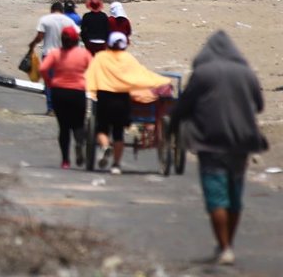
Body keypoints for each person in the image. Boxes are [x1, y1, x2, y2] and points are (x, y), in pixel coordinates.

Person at [170, 31, 269, 266]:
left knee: (216, 195)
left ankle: (224, 247)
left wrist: (173, 127)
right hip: (241, 142)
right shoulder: (246, 73)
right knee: (234, 194)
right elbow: (260, 104)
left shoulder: (203, 73)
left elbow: (184, 105)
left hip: (210, 142)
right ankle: (229, 245)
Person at [84, 32, 172, 174]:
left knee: (101, 129)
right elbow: (140, 75)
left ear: (109, 44)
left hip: (105, 98)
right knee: (118, 133)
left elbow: (90, 75)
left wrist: (91, 90)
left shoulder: (100, 58)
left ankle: (105, 146)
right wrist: (162, 81)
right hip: (122, 99)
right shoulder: (128, 59)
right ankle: (116, 166)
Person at [38, 27, 92, 168]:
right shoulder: (84, 54)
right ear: (76, 40)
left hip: (59, 92)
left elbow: (43, 68)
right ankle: (80, 144)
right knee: (79, 124)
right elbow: (94, 69)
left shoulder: (55, 53)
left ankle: (65, 161)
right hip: (78, 92)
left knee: (63, 127)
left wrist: (49, 82)